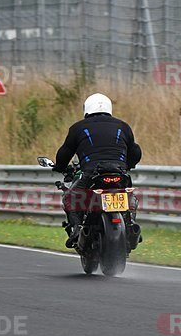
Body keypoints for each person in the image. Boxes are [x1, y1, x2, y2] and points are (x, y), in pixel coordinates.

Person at [53, 92, 142, 247]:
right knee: (130, 196)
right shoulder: (123, 126)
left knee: (70, 197)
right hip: (120, 173)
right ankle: (131, 222)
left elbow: (65, 152)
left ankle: (75, 229)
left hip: (91, 174)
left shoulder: (78, 128)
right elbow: (135, 151)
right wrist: (128, 165)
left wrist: (60, 167)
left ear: (87, 109)